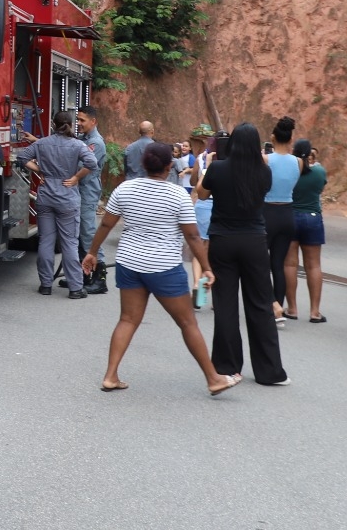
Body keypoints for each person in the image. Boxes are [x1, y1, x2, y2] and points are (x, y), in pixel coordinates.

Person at [83, 142, 238, 397]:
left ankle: (110, 376)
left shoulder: (125, 188)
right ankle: (214, 379)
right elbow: (193, 236)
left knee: (127, 320)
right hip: (164, 267)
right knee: (187, 322)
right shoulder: (177, 195)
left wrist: (92, 252)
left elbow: (106, 225)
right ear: (169, 166)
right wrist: (207, 268)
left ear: (144, 164)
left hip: (129, 263)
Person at [197, 123, 288, 386]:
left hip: (222, 239)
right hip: (254, 240)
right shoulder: (264, 172)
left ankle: (227, 366)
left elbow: (202, 194)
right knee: (260, 304)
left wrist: (209, 166)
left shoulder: (218, 168)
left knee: (225, 304)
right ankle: (269, 371)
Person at [15, 110, 97, 299]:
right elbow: (92, 163)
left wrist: (41, 171)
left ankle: (45, 285)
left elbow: (22, 158)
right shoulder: (78, 145)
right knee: (69, 243)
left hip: (45, 197)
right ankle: (75, 288)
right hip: (67, 198)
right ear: (71, 125)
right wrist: (76, 177)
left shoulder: (42, 143)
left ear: (53, 124)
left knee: (46, 241)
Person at [286, 138, 327, 322]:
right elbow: (320, 189)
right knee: (314, 265)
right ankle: (315, 312)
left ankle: (292, 309)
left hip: (291, 216)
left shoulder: (290, 171)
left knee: (290, 264)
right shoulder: (319, 172)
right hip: (313, 217)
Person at [264, 116, 300, 323]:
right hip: (287, 213)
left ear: (272, 137)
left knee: (261, 261)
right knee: (278, 264)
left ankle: (269, 303)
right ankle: (278, 306)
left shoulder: (265, 160)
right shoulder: (298, 162)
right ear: (291, 138)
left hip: (267, 212)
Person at [74, 105, 109, 294]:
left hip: (87, 192)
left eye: (82, 120)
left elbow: (81, 165)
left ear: (93, 121)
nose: (78, 123)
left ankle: (100, 278)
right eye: (78, 119)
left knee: (87, 233)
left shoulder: (96, 143)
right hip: (79, 191)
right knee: (80, 234)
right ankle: (84, 275)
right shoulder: (83, 139)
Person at [186, 125, 216, 295]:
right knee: (213, 250)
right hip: (219, 206)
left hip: (202, 205)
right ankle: (209, 284)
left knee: (200, 246)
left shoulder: (201, 158)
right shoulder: (226, 160)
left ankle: (197, 283)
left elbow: (192, 182)